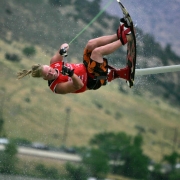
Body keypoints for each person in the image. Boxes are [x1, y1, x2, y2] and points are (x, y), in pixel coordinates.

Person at [17, 18, 133, 94]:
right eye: (49, 74)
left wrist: (63, 49)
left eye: (50, 70)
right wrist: (71, 75)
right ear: (45, 78)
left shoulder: (54, 62)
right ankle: (127, 38)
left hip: (87, 67)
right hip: (92, 81)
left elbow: (65, 45)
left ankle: (119, 34)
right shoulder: (56, 87)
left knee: (90, 44)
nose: (52, 72)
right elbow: (78, 85)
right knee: (96, 53)